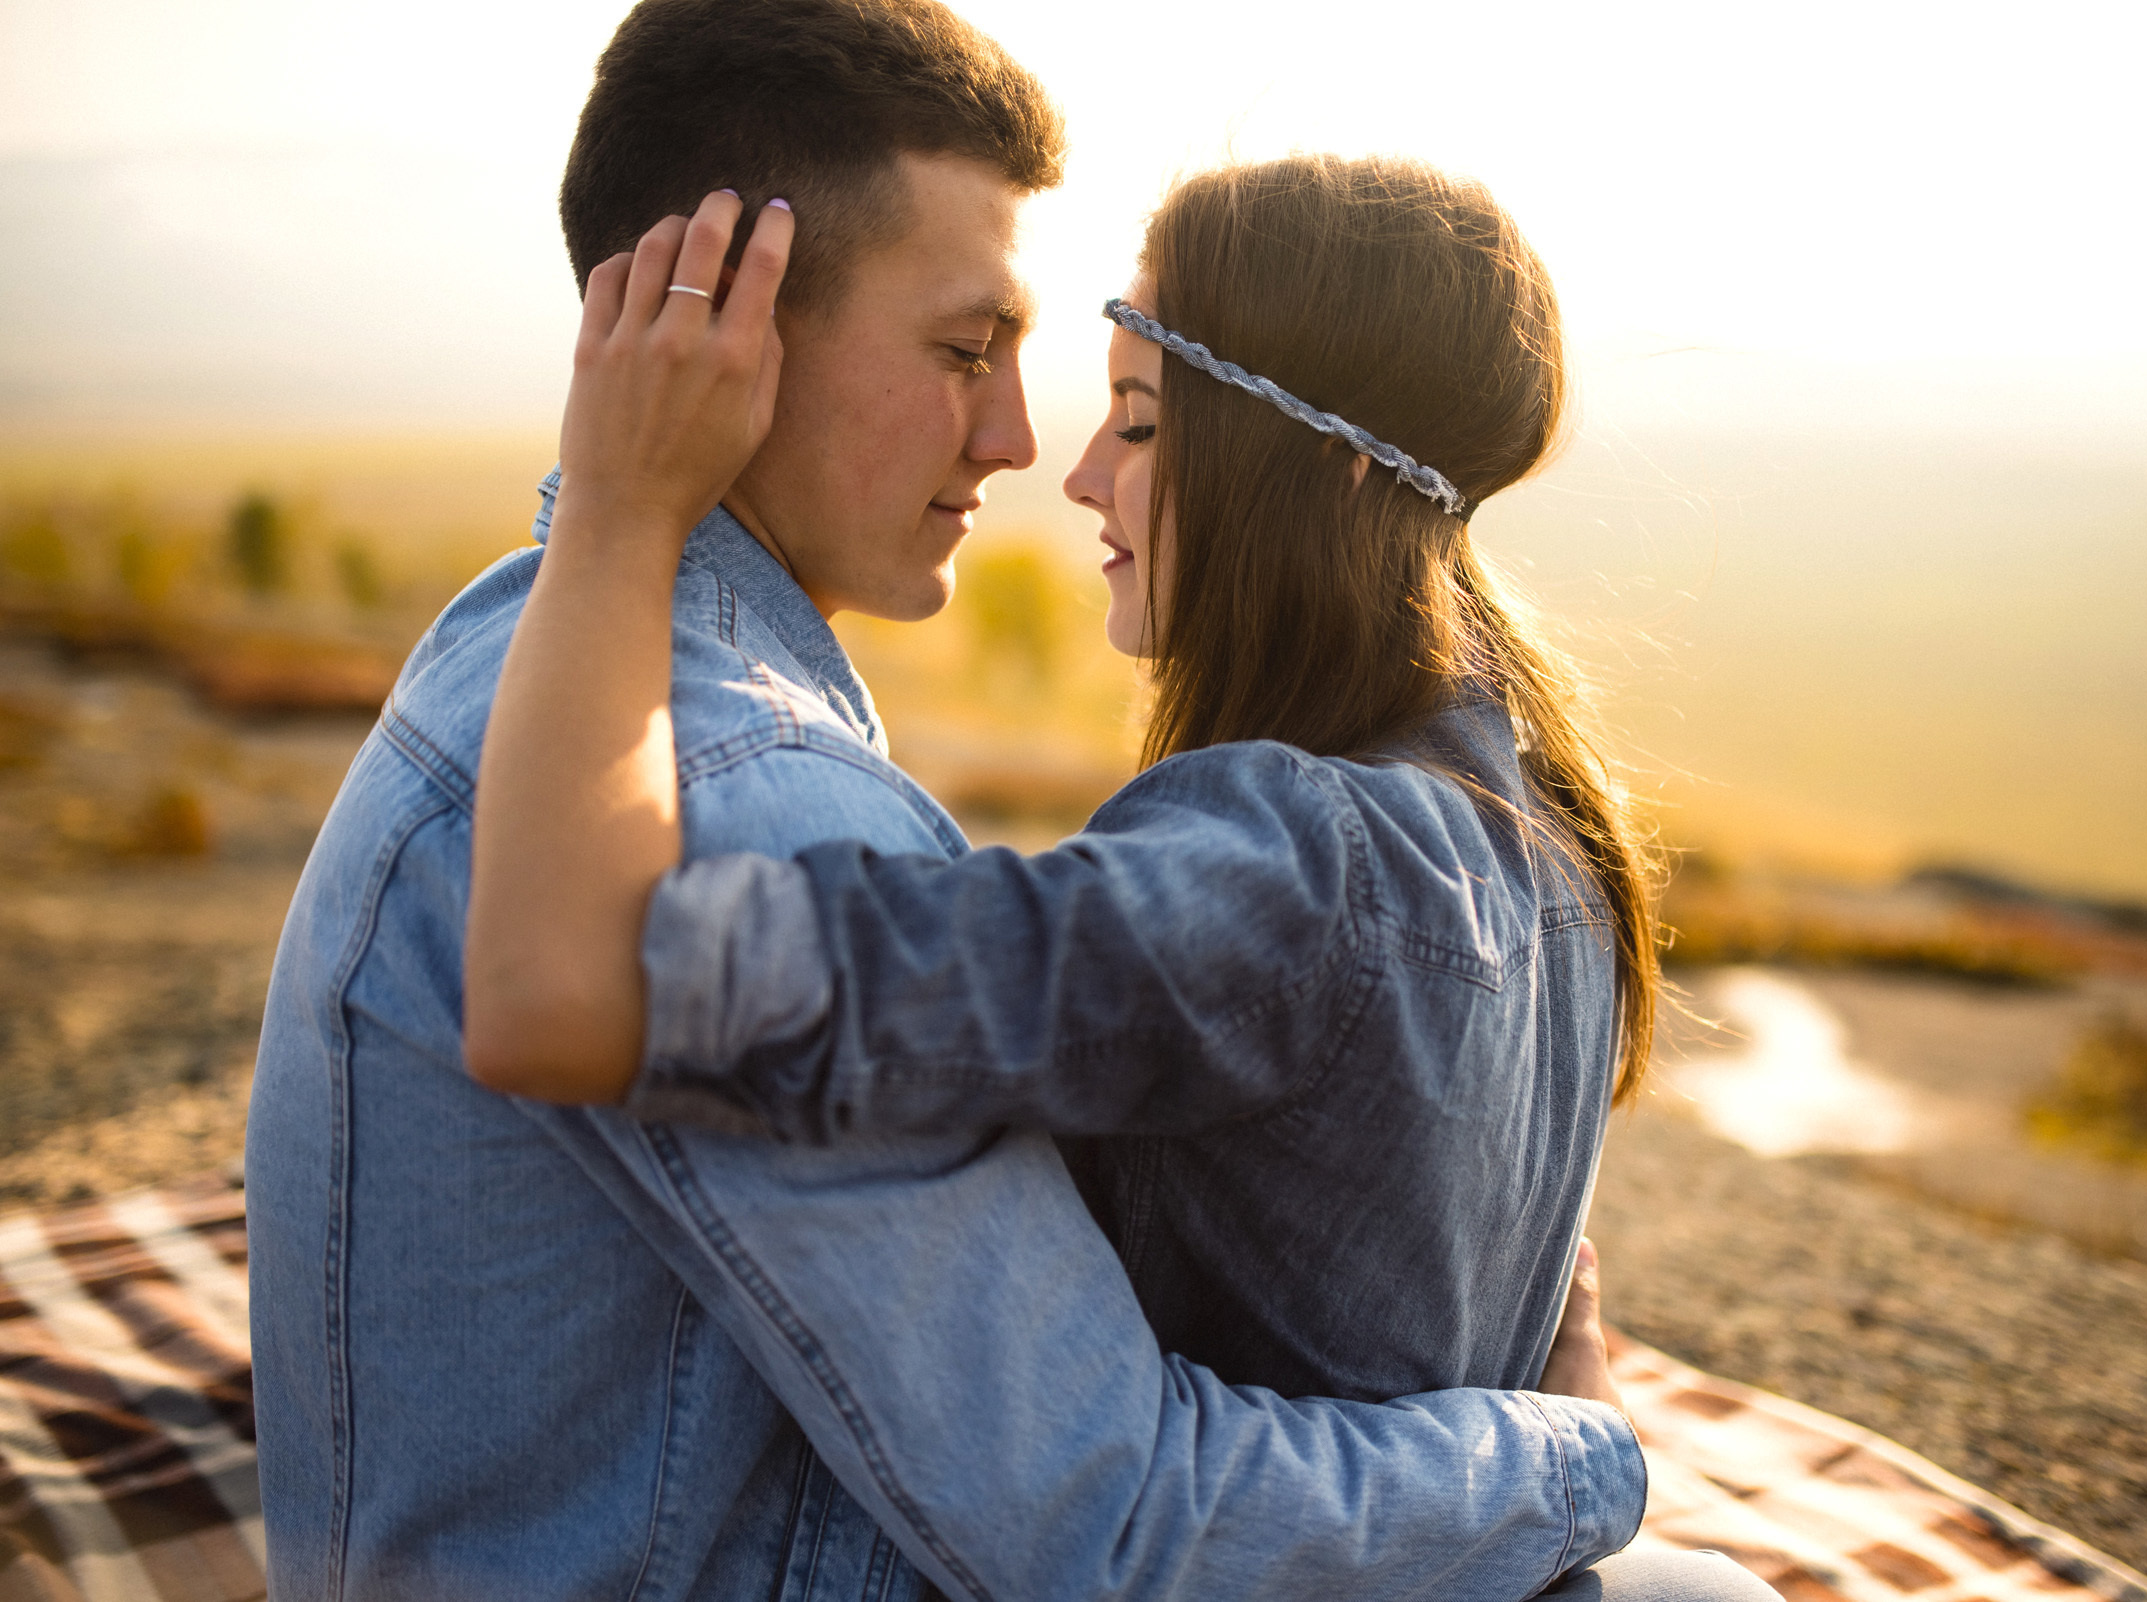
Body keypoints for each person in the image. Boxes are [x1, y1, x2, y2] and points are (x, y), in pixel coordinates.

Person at [247, 3, 1680, 1599]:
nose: (1023, 444)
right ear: (720, 323)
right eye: (963, 350)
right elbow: (1111, 1519)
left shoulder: (523, 645)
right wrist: (1577, 1449)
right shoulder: (732, 789)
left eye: (1112, 409)